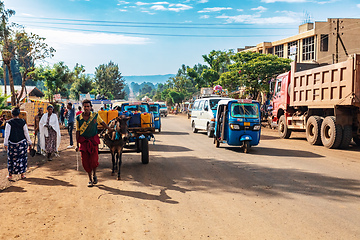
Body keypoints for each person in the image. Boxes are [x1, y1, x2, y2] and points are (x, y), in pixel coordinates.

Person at [76, 99, 113, 187]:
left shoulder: (95, 115)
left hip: (93, 141)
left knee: (94, 161)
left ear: (90, 107)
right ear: (82, 107)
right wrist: (77, 144)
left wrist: (110, 129)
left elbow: (103, 123)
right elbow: (77, 131)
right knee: (85, 162)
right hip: (84, 142)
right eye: (85, 106)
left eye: (88, 106)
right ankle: (90, 179)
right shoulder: (78, 118)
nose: (86, 108)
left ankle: (94, 174)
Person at [4, 107, 32, 180]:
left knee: (11, 159)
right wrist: (30, 142)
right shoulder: (23, 122)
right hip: (22, 143)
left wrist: (5, 144)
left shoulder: (9, 123)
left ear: (12, 114)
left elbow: (7, 134)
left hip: (12, 144)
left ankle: (10, 175)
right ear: (18, 114)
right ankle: (22, 174)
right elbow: (26, 133)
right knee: (22, 158)